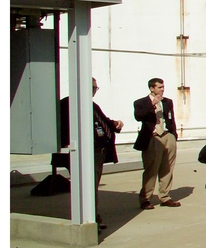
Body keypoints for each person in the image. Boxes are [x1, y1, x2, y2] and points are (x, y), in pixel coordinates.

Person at [60, 78, 123, 229]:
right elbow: (62, 126)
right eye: (93, 87)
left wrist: (114, 124)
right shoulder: (68, 104)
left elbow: (102, 122)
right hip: (83, 154)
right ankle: (90, 219)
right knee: (87, 187)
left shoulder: (92, 105)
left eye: (96, 88)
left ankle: (93, 217)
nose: (95, 91)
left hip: (98, 153)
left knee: (91, 187)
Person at [133, 78, 180, 209]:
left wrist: (173, 135)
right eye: (159, 87)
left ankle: (165, 197)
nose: (162, 89)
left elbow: (171, 118)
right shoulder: (141, 102)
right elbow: (138, 116)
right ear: (152, 88)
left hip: (167, 135)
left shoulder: (168, 102)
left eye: (163, 87)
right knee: (151, 169)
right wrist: (152, 104)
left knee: (168, 167)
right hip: (152, 137)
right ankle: (145, 198)